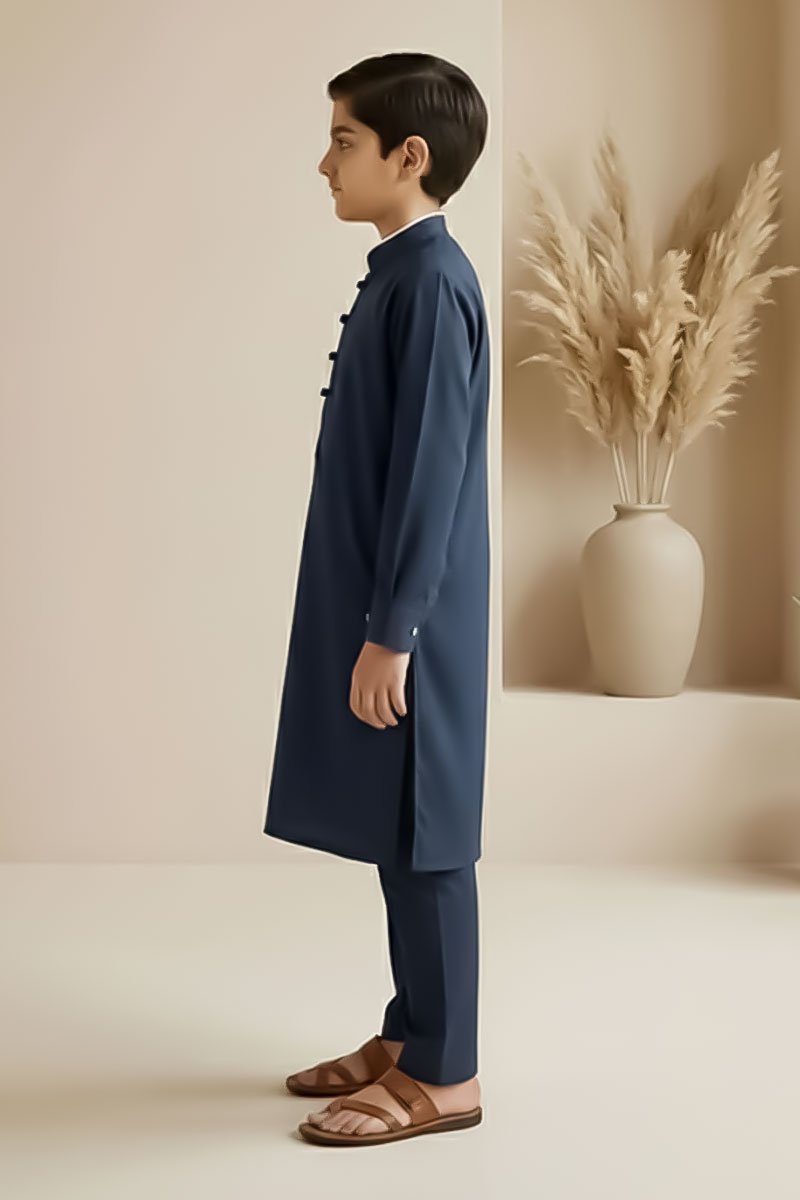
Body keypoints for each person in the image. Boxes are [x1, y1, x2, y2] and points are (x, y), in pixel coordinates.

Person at [263, 51, 491, 1147]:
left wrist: (392, 633)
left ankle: (447, 1073)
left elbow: (431, 474)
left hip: (417, 621)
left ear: (410, 156)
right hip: (390, 611)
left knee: (430, 835)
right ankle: (410, 1035)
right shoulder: (402, 273)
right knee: (399, 829)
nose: (325, 164)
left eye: (343, 142)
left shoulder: (433, 282)